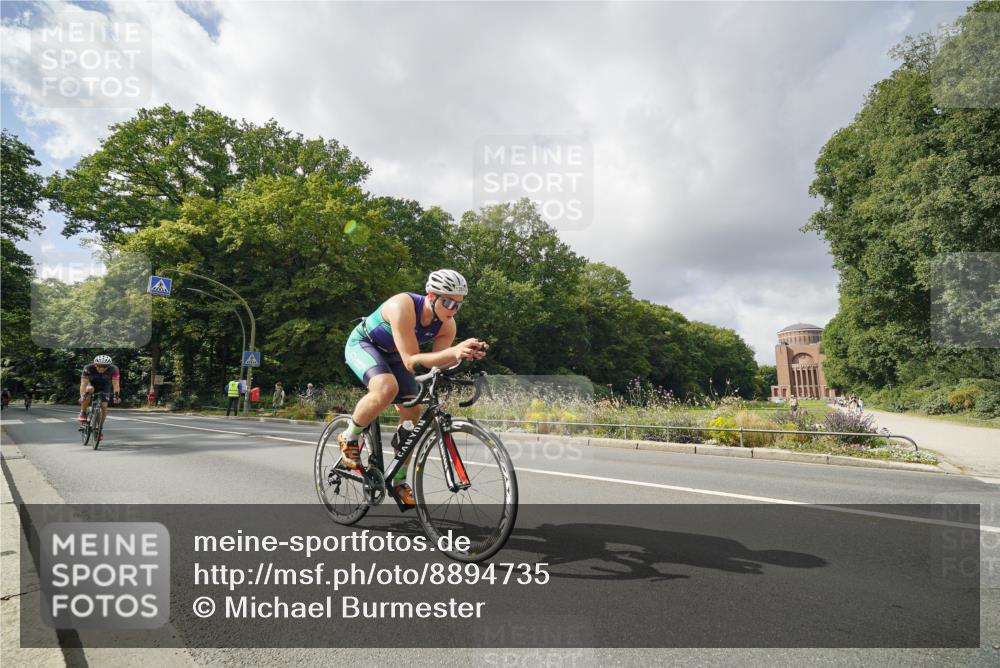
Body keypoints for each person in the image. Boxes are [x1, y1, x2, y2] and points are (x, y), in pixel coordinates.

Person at [341, 269, 488, 506]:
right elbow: (411, 360)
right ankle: (349, 436)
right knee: (386, 388)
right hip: (365, 344)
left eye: (458, 305)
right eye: (448, 302)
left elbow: (439, 361)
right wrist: (453, 351)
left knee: (413, 413)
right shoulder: (403, 306)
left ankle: (397, 479)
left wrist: (465, 355)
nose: (452, 310)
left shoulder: (447, 325)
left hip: (397, 355)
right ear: (431, 296)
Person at [78, 355, 121, 442]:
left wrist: (116, 396)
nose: (101, 368)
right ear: (95, 365)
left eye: (104, 366)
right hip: (92, 384)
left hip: (105, 385)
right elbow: (83, 383)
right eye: (99, 366)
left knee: (104, 406)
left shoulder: (114, 369)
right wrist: (82, 396)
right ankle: (83, 412)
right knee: (89, 390)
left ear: (109, 366)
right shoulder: (88, 368)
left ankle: (99, 427)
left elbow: (116, 384)